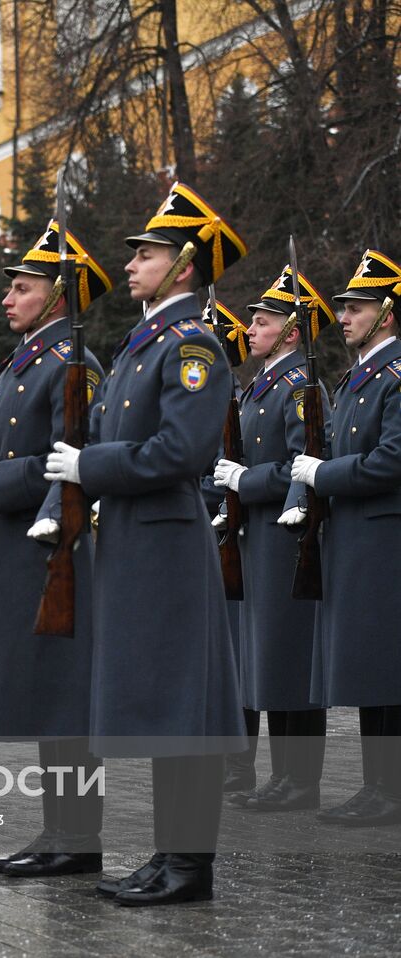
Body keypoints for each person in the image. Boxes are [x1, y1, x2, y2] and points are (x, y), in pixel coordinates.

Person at [41, 183, 248, 905]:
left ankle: (191, 865)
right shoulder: (144, 345)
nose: (131, 265)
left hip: (165, 544)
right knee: (165, 708)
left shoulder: (192, 345)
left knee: (182, 708)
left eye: (149, 253)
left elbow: (180, 453)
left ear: (185, 265)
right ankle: (169, 854)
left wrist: (88, 467)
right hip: (134, 545)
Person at [0, 222, 112, 877]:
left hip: (53, 543)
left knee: (66, 695)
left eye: (23, 287)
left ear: (59, 297)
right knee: (46, 695)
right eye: (10, 288)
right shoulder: (23, 364)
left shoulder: (74, 366)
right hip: (15, 547)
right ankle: (57, 829)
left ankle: (80, 836)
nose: (8, 298)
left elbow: (66, 459)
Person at [209, 270, 332, 813]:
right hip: (258, 536)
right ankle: (284, 777)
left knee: (291, 659)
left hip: (288, 535)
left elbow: (298, 466)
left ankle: (301, 780)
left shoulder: (298, 389)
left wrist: (244, 482)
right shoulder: (261, 386)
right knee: (271, 659)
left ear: (289, 333)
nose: (251, 330)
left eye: (262, 322)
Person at [288, 249, 401, 826]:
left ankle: (389, 789)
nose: (345, 317)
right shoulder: (361, 375)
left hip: (384, 540)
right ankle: (375, 784)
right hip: (356, 539)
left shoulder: (397, 374)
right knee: (369, 667)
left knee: (387, 668)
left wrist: (323, 474)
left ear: (385, 314)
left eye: (355, 308)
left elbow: (392, 461)